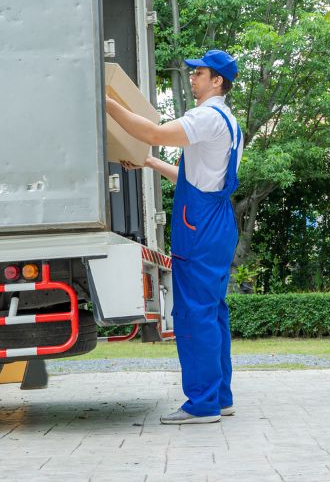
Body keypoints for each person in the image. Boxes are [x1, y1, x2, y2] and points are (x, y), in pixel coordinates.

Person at [105, 49, 242, 425]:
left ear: (217, 81)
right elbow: (189, 175)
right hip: (216, 222)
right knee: (212, 312)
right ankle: (220, 397)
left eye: (199, 73)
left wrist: (104, 102)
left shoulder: (206, 116)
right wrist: (147, 161)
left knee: (192, 314)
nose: (192, 78)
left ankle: (202, 405)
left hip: (198, 227)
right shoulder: (228, 121)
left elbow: (151, 132)